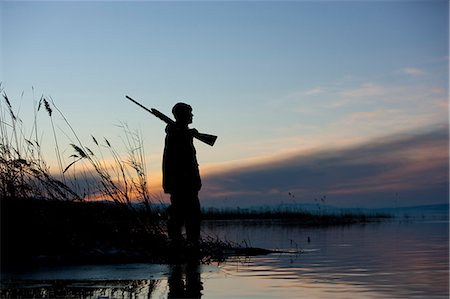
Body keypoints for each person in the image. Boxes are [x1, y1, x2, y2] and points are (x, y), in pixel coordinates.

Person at [163, 102, 202, 246]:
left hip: (188, 184)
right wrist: (187, 134)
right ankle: (179, 245)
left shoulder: (182, 133)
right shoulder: (175, 134)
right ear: (183, 115)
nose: (192, 115)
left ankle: (190, 246)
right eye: (189, 113)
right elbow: (178, 160)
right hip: (181, 184)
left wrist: (189, 133)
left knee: (192, 216)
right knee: (181, 216)